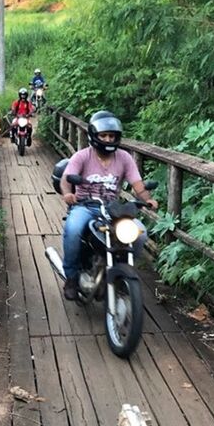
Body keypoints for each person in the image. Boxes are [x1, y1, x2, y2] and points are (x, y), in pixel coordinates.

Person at [59, 111, 158, 300]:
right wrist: (68, 194)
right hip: (85, 206)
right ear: (94, 136)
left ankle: (122, 272)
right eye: (103, 135)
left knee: (140, 234)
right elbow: (65, 179)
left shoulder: (124, 158)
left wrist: (147, 198)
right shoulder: (82, 156)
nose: (108, 139)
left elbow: (137, 184)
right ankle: (71, 277)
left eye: (111, 136)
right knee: (72, 229)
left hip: (114, 208)